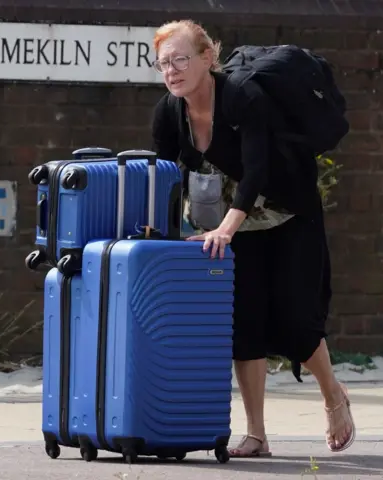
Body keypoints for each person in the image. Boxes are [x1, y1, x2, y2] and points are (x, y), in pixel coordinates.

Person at [150, 20, 356, 457]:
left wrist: (227, 227)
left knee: (298, 321)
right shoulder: (169, 112)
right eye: (164, 63)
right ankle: (257, 434)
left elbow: (258, 168)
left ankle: (333, 394)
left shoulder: (242, 96)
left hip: (286, 211)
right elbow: (164, 178)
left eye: (181, 59)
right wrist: (164, 233)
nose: (172, 71)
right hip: (228, 226)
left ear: (208, 58)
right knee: (245, 323)